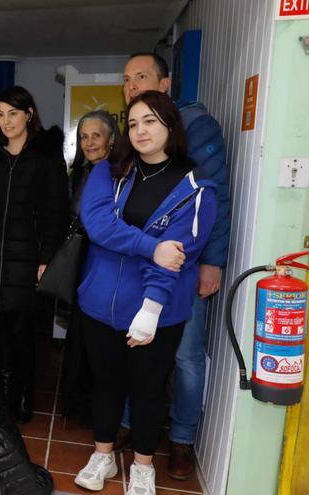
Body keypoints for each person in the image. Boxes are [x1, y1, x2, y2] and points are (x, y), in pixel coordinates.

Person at [74, 90, 217, 495]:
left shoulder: (196, 188)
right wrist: (148, 245)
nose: (140, 130)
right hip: (99, 303)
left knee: (148, 389)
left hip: (159, 311)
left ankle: (142, 465)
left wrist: (151, 309)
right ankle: (103, 455)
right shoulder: (109, 170)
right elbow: (98, 224)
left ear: (170, 126)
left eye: (150, 121)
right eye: (133, 123)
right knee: (105, 384)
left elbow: (179, 256)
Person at [118, 52, 231, 481]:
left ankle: (182, 438)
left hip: (186, 267)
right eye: (127, 80)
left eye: (141, 77)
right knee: (134, 343)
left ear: (165, 84)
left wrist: (213, 262)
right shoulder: (129, 135)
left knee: (185, 357)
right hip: (138, 265)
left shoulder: (197, 125)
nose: (132, 86)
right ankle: (130, 424)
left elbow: (216, 197)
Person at [0, 86, 69, 423]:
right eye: (0, 115)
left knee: (20, 336)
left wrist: (45, 259)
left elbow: (57, 213)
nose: (6, 121)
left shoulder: (47, 159)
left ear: (29, 115)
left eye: (13, 113)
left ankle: (20, 397)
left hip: (26, 261)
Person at [60, 110, 122, 426]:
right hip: (78, 260)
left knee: (99, 338)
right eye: (83, 136)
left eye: (96, 135)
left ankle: (96, 408)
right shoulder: (77, 175)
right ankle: (74, 404)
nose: (89, 142)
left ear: (112, 139)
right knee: (78, 333)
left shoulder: (120, 176)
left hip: (106, 263)